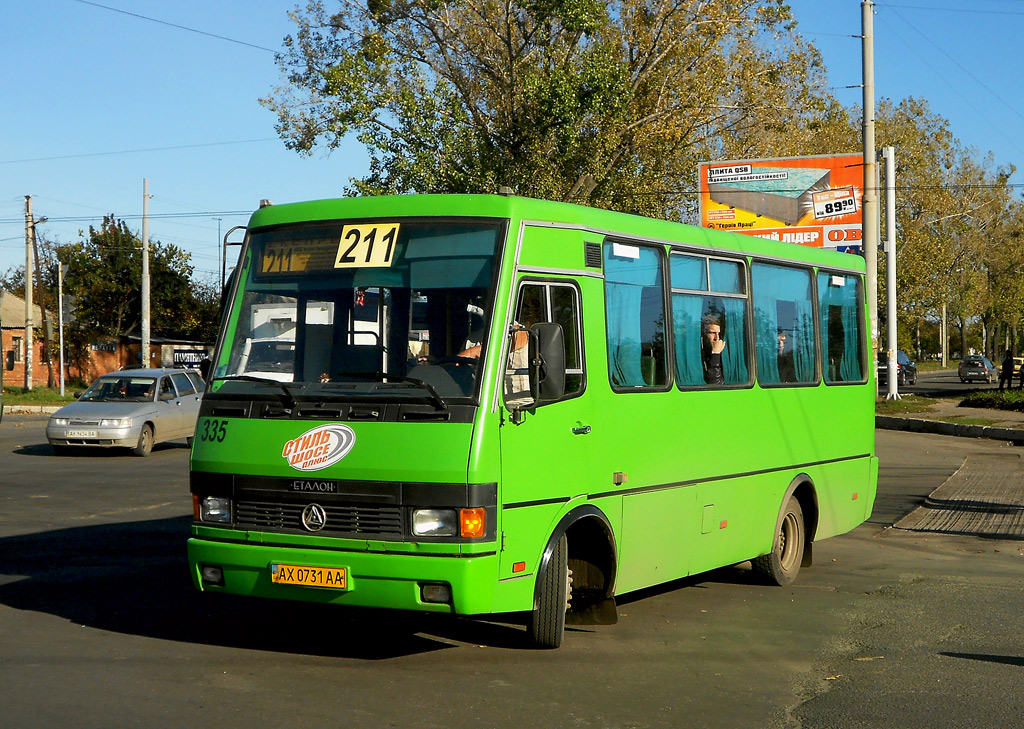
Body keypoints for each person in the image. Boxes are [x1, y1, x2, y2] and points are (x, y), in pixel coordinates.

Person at [702, 316, 726, 385]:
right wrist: (715, 354)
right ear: (704, 334)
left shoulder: (725, 354)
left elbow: (717, 384)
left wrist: (716, 354)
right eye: (713, 333)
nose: (717, 338)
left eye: (718, 333)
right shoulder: (698, 352)